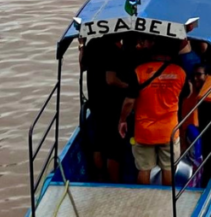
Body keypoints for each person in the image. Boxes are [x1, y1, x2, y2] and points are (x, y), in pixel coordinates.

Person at [119, 39, 191, 185]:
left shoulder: (139, 72)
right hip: (169, 131)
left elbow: (129, 102)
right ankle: (166, 201)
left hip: (145, 131)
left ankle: (144, 199)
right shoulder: (180, 72)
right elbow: (187, 93)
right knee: (169, 168)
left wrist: (122, 120)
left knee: (144, 169)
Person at [80, 35, 134, 183]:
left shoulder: (92, 44)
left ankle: (100, 177)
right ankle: (114, 183)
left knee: (98, 143)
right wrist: (129, 86)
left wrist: (81, 46)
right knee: (113, 149)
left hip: (95, 102)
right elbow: (110, 80)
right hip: (111, 105)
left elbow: (82, 65)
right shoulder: (112, 50)